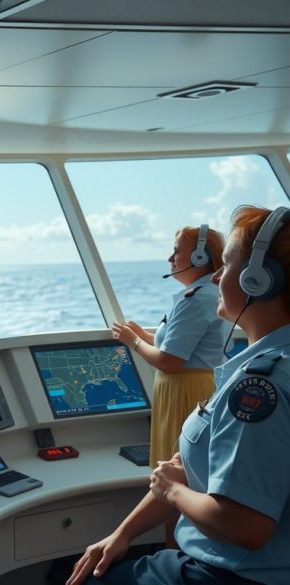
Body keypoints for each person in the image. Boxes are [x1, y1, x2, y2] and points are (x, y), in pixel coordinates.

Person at [69, 205, 290, 585]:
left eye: (227, 264)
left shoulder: (257, 390)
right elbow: (189, 467)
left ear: (258, 281)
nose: (217, 275)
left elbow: (246, 526)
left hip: (231, 574)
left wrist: (171, 491)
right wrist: (123, 532)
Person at [111, 225, 227, 466]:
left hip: (185, 393)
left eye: (177, 251)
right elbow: (181, 345)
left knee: (177, 470)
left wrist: (133, 341)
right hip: (192, 387)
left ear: (200, 257)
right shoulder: (208, 294)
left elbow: (169, 361)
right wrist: (144, 336)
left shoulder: (195, 300)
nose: (170, 258)